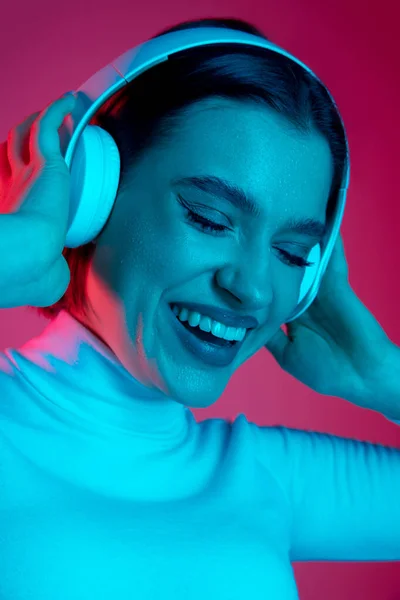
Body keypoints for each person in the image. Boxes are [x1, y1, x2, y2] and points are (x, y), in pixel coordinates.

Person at [0, 16, 399, 600]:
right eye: (210, 219)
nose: (255, 289)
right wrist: (16, 253)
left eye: (292, 253)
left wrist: (384, 377)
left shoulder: (267, 476)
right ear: (92, 193)